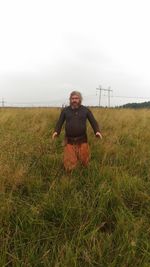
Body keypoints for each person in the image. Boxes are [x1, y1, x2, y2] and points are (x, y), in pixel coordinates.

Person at [52, 91, 102, 171]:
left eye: (76, 98)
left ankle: (84, 174)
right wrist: (56, 132)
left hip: (83, 140)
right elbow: (59, 122)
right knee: (69, 164)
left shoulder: (85, 110)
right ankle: (70, 176)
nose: (74, 100)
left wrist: (97, 131)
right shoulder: (65, 111)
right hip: (69, 141)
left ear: (80, 99)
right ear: (70, 100)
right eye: (72, 98)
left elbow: (93, 121)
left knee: (84, 161)